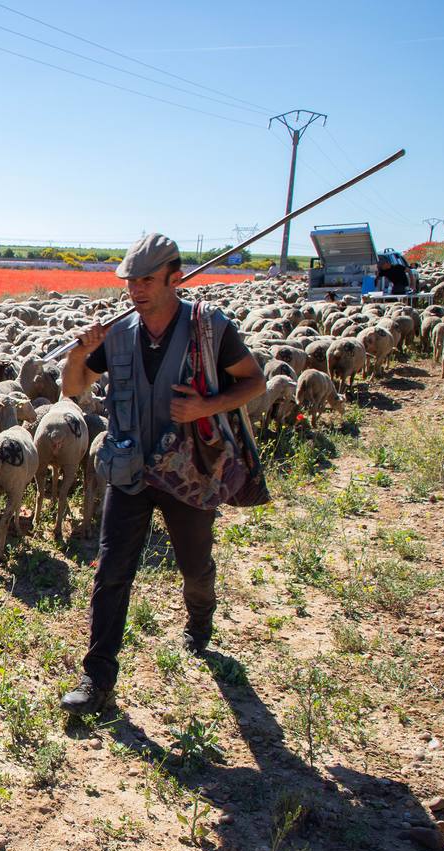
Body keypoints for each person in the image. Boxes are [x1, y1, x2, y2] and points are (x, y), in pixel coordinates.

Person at [58, 234, 267, 716]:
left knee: (193, 565)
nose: (136, 289)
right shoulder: (118, 334)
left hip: (190, 470)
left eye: (147, 280)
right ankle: (97, 678)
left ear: (176, 278)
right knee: (112, 570)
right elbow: (73, 388)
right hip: (130, 470)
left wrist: (205, 407)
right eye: (130, 281)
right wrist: (79, 353)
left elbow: (254, 380)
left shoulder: (210, 328)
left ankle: (200, 616)